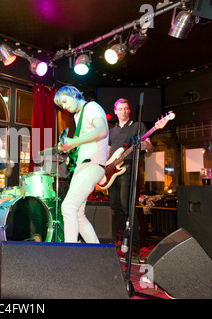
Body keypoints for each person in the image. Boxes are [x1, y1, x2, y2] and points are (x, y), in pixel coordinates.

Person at [54, 85, 109, 243]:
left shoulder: (91, 107)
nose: (64, 106)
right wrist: (68, 146)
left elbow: (102, 131)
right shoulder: (78, 116)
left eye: (65, 101)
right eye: (61, 105)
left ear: (74, 94)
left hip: (91, 164)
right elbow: (86, 141)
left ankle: (69, 254)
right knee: (77, 214)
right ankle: (97, 252)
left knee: (68, 207)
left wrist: (73, 142)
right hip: (84, 165)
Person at [107, 98, 153, 256]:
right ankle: (122, 239)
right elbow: (107, 152)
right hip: (111, 172)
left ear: (129, 110)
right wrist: (103, 169)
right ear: (115, 111)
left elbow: (149, 147)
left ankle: (134, 244)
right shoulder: (111, 131)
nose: (123, 111)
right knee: (115, 207)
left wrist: (146, 146)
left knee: (126, 206)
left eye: (126, 109)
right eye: (120, 109)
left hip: (127, 168)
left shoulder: (137, 126)